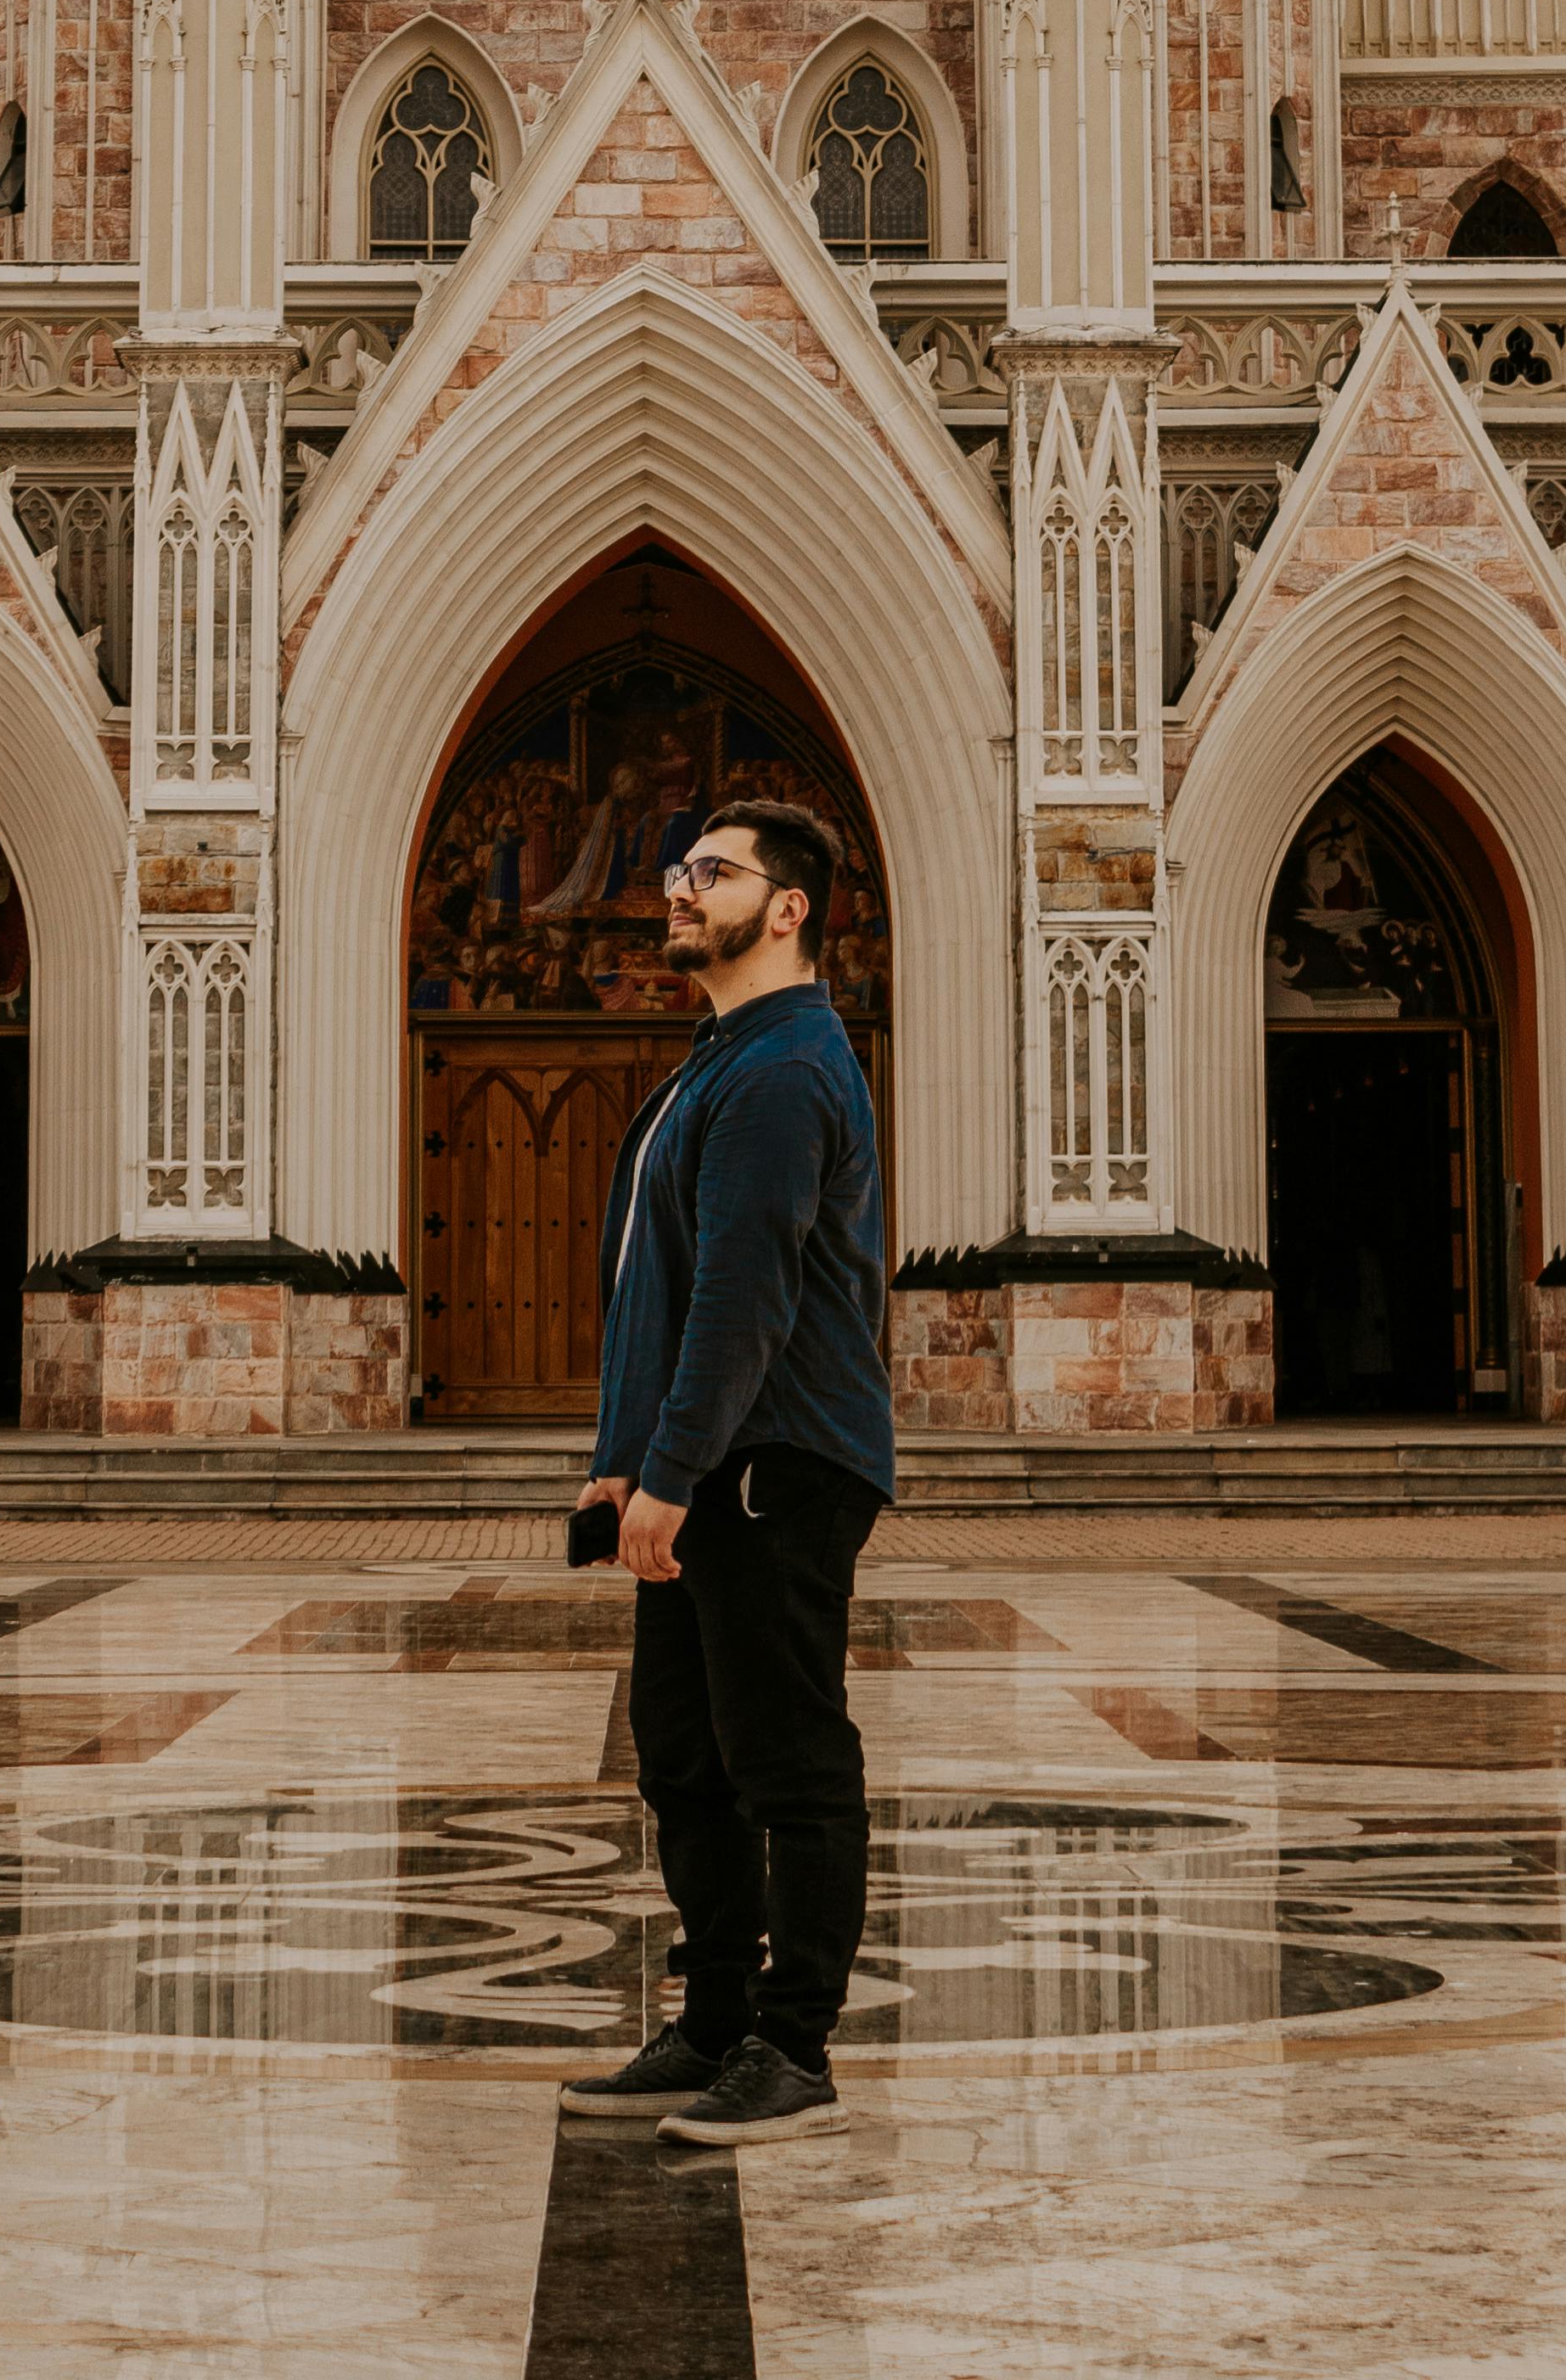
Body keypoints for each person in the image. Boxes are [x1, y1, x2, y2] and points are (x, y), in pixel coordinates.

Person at [560, 794, 894, 2149]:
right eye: (677, 868)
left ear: (789, 906)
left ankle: (793, 2046)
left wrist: (679, 1468)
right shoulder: (719, 1061)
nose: (678, 888)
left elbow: (746, 1297)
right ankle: (712, 2023)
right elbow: (658, 1286)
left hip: (777, 1464)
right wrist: (624, 1465)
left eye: (713, 870)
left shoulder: (784, 1068)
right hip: (708, 1465)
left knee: (787, 1759)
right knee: (686, 1760)